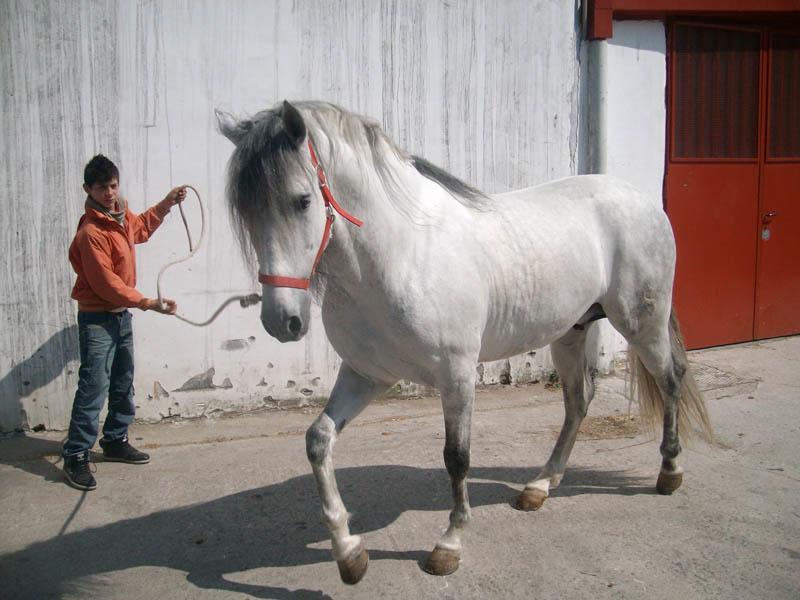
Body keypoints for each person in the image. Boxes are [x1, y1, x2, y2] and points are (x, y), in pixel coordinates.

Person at [62, 154, 186, 491]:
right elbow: (105, 284)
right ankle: (75, 454)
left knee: (121, 381)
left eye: (113, 186)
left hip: (120, 316)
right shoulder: (91, 232)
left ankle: (115, 440)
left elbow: (141, 227)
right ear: (88, 189)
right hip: (97, 317)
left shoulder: (119, 217)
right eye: (102, 188)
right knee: (94, 387)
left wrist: (167, 203)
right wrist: (146, 302)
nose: (110, 193)